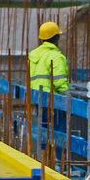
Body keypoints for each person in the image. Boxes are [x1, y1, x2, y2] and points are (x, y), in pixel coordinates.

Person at [27, 19, 71, 150]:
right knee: (58, 134)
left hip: (38, 98)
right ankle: (58, 158)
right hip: (54, 100)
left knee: (44, 131)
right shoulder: (56, 57)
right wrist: (68, 97)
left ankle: (44, 156)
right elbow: (59, 81)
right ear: (57, 37)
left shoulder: (34, 55)